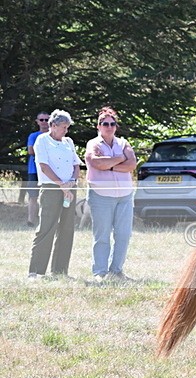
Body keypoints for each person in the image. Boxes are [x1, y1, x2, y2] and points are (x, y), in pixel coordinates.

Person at [84, 107, 137, 282]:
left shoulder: (123, 143)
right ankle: (100, 272)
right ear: (98, 126)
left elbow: (132, 165)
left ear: (116, 126)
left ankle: (117, 271)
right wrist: (120, 159)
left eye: (112, 123)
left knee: (123, 234)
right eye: (104, 123)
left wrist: (110, 164)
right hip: (101, 196)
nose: (109, 126)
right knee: (102, 235)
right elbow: (95, 162)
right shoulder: (93, 144)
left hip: (125, 195)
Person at [28, 110, 81, 279]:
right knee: (47, 228)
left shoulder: (69, 142)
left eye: (67, 127)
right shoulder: (42, 140)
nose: (66, 131)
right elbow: (43, 166)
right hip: (51, 188)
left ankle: (60, 270)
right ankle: (36, 271)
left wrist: (71, 181)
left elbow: (76, 164)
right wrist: (61, 184)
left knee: (67, 228)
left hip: (70, 189)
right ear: (53, 125)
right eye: (63, 127)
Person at [25, 111, 51, 226]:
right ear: (37, 122)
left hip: (50, 171)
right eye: (42, 120)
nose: (44, 122)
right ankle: (30, 221)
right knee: (33, 196)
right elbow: (31, 151)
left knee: (49, 196)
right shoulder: (33, 136)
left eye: (46, 119)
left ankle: (45, 220)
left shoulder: (54, 136)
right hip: (34, 170)